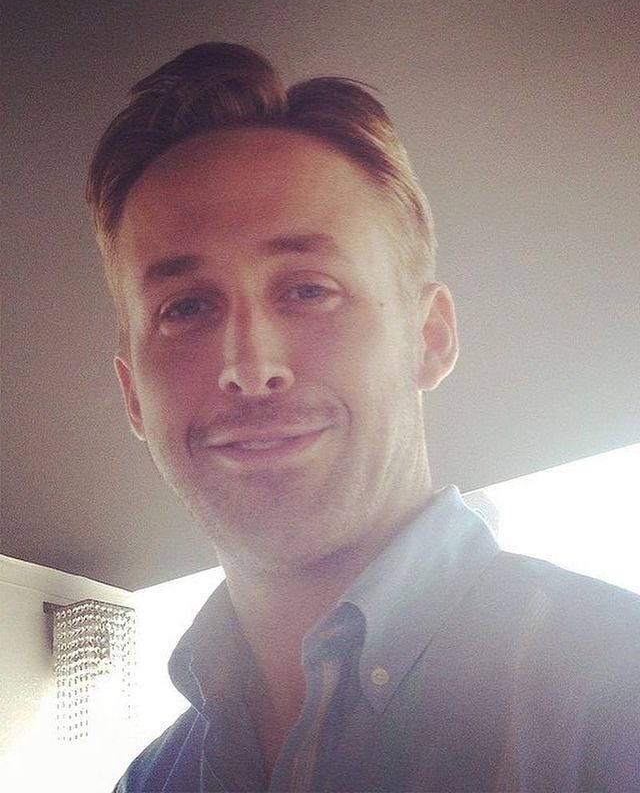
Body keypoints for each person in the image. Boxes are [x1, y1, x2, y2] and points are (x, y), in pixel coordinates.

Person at [87, 43, 640, 792]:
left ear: (430, 337)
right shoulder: (149, 782)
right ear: (132, 397)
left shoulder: (620, 687)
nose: (249, 365)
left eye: (309, 290)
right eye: (185, 308)